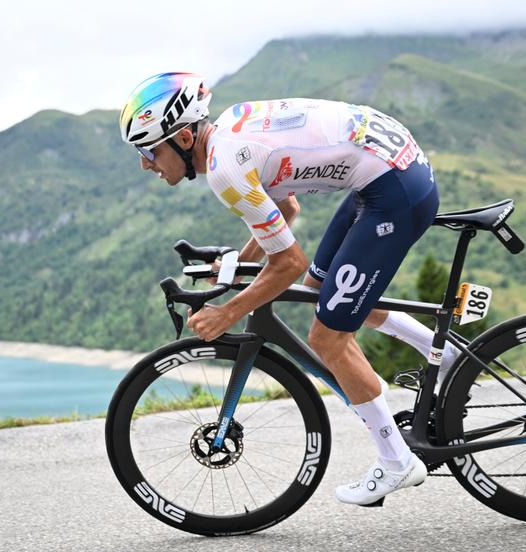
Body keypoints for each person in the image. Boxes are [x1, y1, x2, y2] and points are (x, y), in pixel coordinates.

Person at [119, 72, 459, 506]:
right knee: (322, 289)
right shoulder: (229, 131)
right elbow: (286, 206)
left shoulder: (226, 170)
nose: (146, 163)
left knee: (328, 337)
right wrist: (241, 265)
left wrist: (227, 312)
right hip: (386, 173)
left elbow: (288, 263)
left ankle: (397, 462)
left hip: (392, 190)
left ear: (185, 138)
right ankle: (440, 352)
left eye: (149, 151)